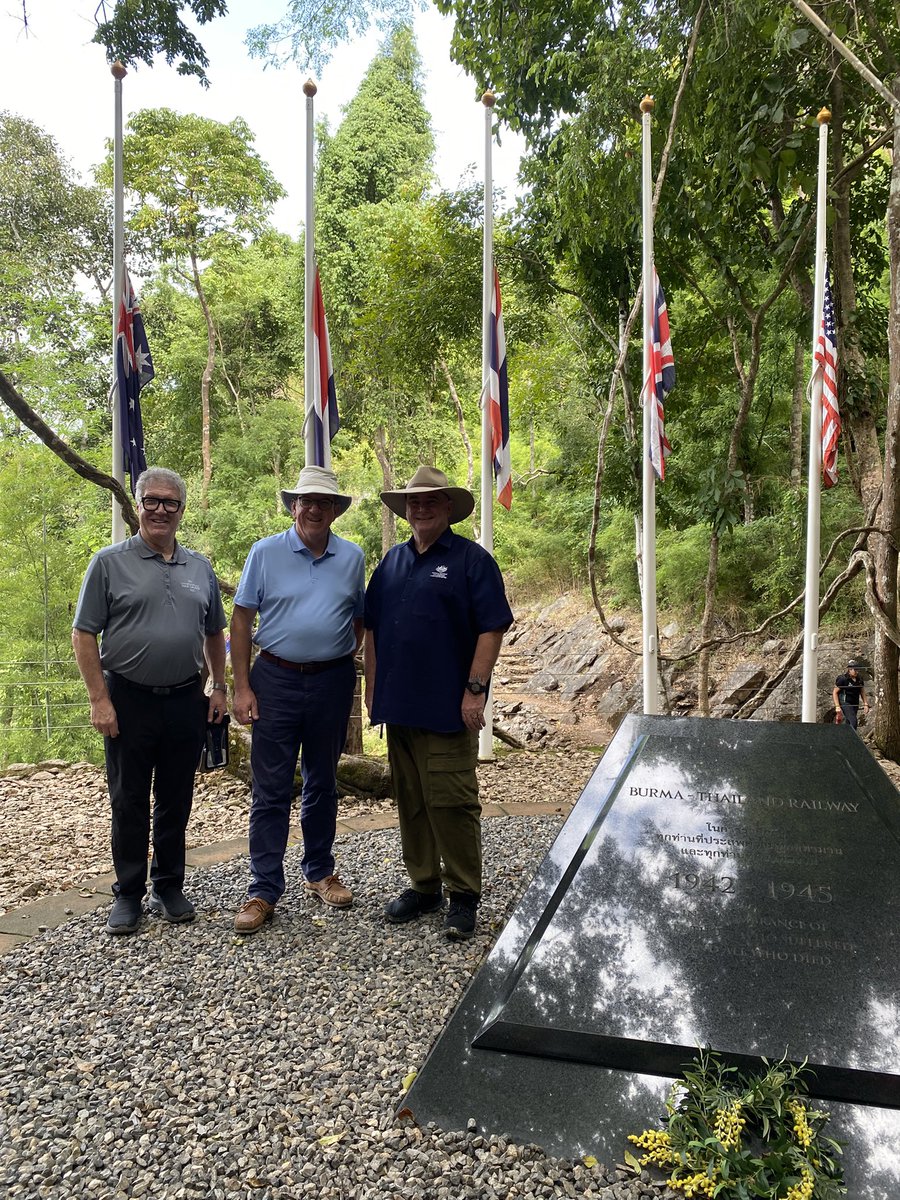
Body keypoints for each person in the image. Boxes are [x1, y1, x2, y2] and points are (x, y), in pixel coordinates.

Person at [72, 467, 227, 936]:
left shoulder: (199, 567)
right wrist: (99, 700)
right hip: (128, 698)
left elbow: (214, 632)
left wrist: (219, 686)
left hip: (185, 698)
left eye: (170, 502)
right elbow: (83, 634)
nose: (161, 509)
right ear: (138, 505)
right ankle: (128, 892)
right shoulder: (108, 563)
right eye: (152, 501)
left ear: (181, 509)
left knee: (177, 797)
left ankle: (168, 885)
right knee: (129, 799)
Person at [364, 465, 514, 941]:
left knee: (452, 802)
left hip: (448, 709)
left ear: (448, 507)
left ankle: (464, 893)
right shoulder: (392, 562)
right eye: (415, 501)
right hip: (399, 707)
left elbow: (491, 627)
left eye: (431, 500)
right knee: (411, 801)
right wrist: (372, 691)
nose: (422, 508)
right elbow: (372, 629)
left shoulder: (471, 560)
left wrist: (475, 690)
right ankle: (424, 886)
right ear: (405, 509)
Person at [230, 466, 365, 934]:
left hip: (332, 681)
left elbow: (358, 618)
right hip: (275, 679)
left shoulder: (352, 557)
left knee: (323, 780)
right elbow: (241, 620)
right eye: (307, 501)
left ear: (335, 511)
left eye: (324, 502)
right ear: (293, 506)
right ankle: (263, 889)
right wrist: (241, 686)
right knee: (270, 788)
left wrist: (336, 654)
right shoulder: (265, 552)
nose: (314, 509)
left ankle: (320, 871)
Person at [833, 658, 870, 730]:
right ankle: (853, 737)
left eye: (857, 670)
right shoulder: (843, 679)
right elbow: (835, 692)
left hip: (855, 703)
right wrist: (837, 706)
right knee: (853, 721)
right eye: (855, 670)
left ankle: (846, 736)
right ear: (849, 670)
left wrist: (865, 703)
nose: (856, 672)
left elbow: (862, 691)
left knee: (849, 722)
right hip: (845, 702)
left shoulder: (859, 679)